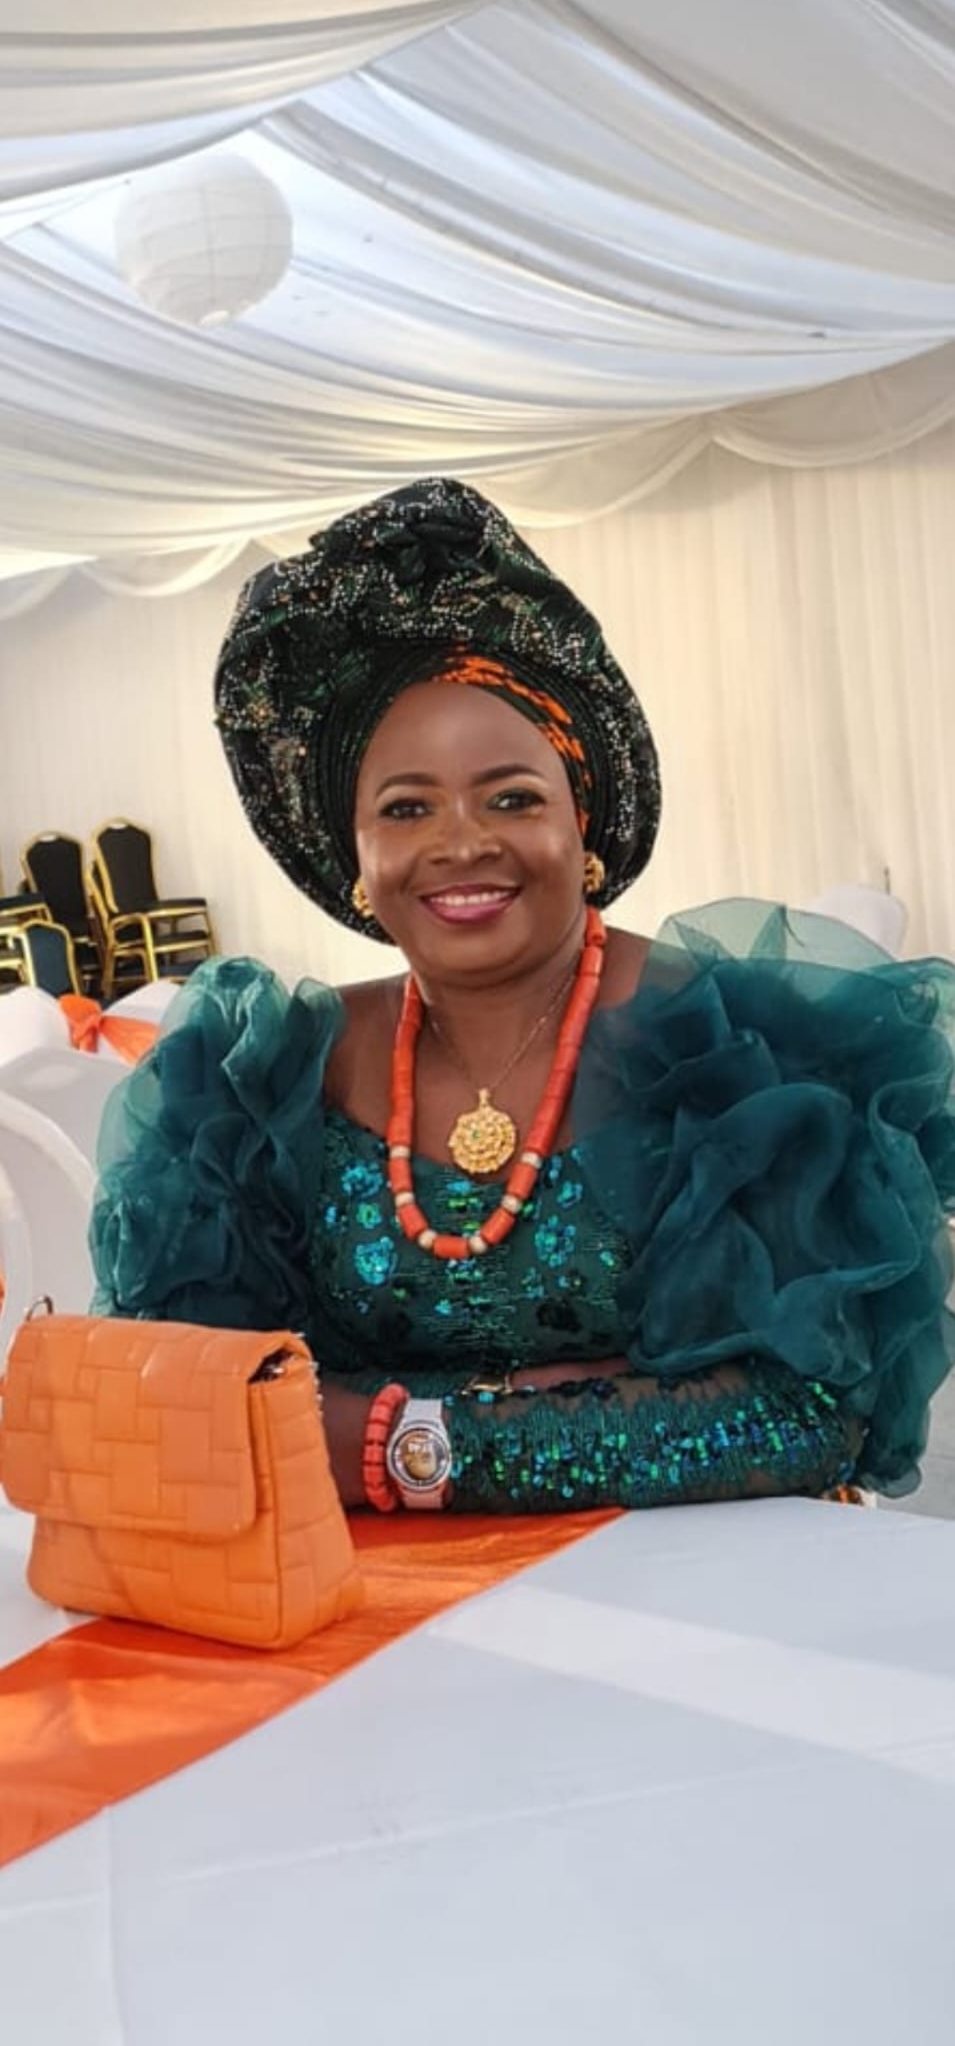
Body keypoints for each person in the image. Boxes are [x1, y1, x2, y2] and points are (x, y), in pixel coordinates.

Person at [91, 478, 955, 1515]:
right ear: (354, 858)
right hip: (360, 1593)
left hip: (694, 1584)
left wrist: (401, 1441)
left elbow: (801, 1414)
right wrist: (600, 1400)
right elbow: (203, 1396)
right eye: (405, 808)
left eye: (511, 797)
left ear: (581, 822)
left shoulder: (738, 1051)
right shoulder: (264, 1080)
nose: (461, 841)